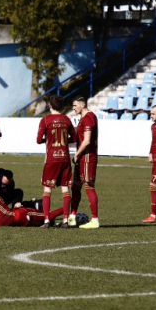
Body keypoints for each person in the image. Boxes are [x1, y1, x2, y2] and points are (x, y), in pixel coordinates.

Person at [36, 95, 76, 228]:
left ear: (50, 106)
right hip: (64, 157)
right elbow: (74, 138)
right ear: (62, 106)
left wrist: (47, 140)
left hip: (52, 158)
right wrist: (64, 142)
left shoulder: (45, 120)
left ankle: (47, 220)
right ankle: (65, 220)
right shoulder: (67, 119)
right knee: (65, 189)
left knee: (47, 190)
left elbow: (38, 140)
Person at [69, 96, 100, 229]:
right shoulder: (83, 118)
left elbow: (87, 141)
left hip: (87, 157)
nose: (73, 108)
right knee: (75, 186)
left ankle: (94, 220)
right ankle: (72, 216)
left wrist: (77, 153)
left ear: (82, 105)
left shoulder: (88, 118)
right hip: (81, 158)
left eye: (75, 105)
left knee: (88, 186)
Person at [0, 188, 65, 227]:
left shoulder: (30, 217)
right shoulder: (31, 215)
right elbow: (51, 215)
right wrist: (68, 207)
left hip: (6, 217)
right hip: (7, 215)